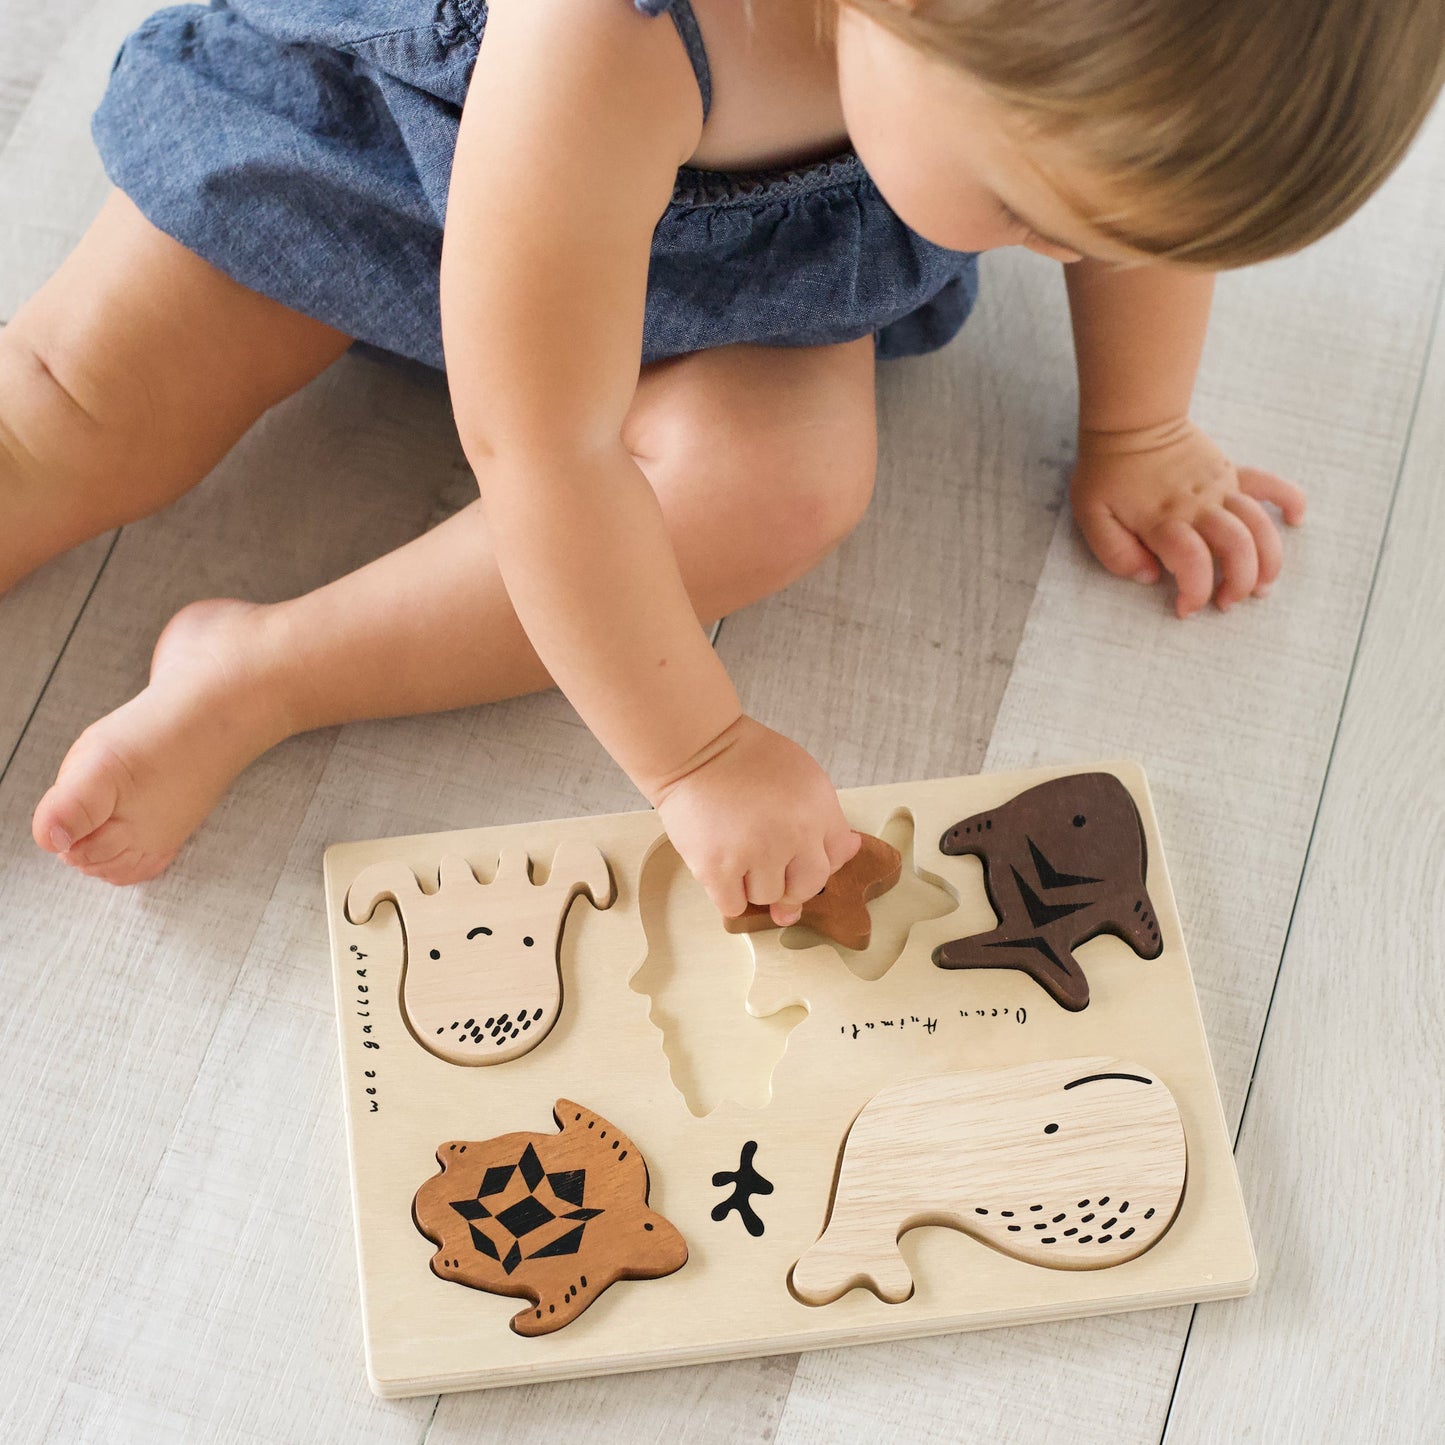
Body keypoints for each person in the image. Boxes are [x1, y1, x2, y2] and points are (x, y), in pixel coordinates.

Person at [6, 0, 1439, 903]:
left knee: (781, 482)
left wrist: (1141, 424)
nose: (1070, 260)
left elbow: (1138, 211)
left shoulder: (1010, 64)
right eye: (1033, 213)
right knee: (72, 410)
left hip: (722, 267)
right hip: (365, 150)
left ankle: (260, 671)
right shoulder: (609, 33)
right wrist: (697, 752)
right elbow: (542, 444)